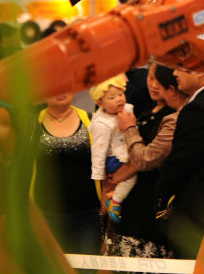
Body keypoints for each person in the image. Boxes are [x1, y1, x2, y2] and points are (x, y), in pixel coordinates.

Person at [102, 63, 184, 261]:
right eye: (150, 78)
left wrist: (116, 177)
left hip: (149, 204)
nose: (153, 85)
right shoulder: (148, 108)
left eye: (158, 80)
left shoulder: (171, 117)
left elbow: (145, 158)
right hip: (130, 202)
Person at [154, 68, 204, 258]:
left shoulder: (198, 108)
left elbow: (178, 165)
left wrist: (160, 203)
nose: (174, 73)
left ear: (201, 71)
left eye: (181, 67)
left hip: (196, 215)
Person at [32, 92, 101, 255]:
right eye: (56, 88)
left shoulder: (93, 120)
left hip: (87, 214)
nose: (61, 92)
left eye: (67, 87)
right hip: (46, 214)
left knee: (86, 270)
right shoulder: (32, 124)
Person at [89, 74, 135, 223]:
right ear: (100, 103)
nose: (119, 99)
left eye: (120, 94)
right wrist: (99, 176)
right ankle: (115, 202)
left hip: (124, 150)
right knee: (131, 177)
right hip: (114, 158)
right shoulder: (103, 124)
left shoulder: (127, 109)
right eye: (112, 98)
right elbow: (98, 152)